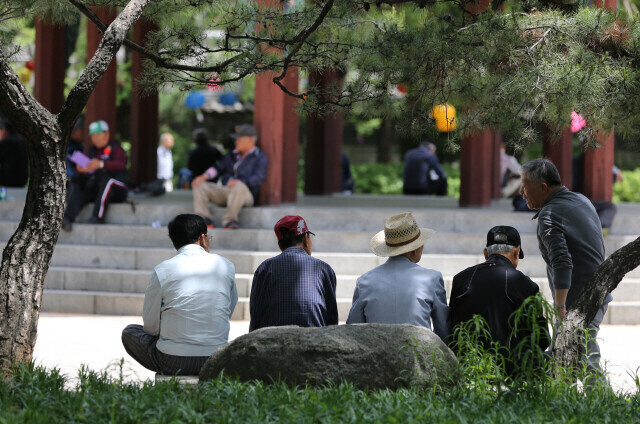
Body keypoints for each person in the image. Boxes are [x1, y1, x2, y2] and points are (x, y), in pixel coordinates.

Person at [520, 158, 611, 382]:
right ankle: (561, 405)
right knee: (562, 356)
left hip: (579, 300)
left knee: (585, 358)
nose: (522, 192)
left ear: (543, 187)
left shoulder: (549, 215)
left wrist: (560, 305)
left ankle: (606, 407)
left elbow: (562, 261)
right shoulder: (581, 199)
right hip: (597, 290)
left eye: (525, 186)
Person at [122, 214, 238, 375]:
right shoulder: (226, 265)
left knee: (130, 332)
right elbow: (228, 309)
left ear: (174, 242)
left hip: (172, 360)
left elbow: (151, 326)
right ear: (203, 238)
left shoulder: (162, 270)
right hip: (215, 359)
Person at [449, 226, 550, 376]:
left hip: (467, 366)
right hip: (511, 370)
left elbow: (452, 325)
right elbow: (542, 339)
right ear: (516, 252)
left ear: (486, 253)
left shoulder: (461, 279)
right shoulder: (526, 285)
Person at [346, 212, 451, 341]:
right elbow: (444, 330)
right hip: (419, 355)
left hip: (376, 357)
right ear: (415, 249)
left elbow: (353, 330)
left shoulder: (365, 281)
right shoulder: (432, 278)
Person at [249, 215, 338, 331]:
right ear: (306, 239)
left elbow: (256, 314)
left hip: (272, 342)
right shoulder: (324, 269)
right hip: (315, 341)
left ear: (280, 245)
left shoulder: (265, 268)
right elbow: (332, 321)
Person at [192, 124, 268, 229]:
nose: (236, 142)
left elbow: (258, 177)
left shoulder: (260, 157)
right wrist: (204, 176)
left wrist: (241, 182)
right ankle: (204, 219)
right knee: (200, 184)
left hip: (245, 194)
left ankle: (230, 220)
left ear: (250, 140)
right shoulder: (231, 155)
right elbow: (218, 167)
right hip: (226, 191)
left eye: (239, 139)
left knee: (239, 186)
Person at [62, 120, 128, 231]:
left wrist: (101, 164)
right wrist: (82, 169)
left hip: (117, 188)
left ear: (106, 134)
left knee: (108, 181)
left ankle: (98, 217)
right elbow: (88, 167)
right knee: (79, 182)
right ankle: (67, 218)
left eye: (98, 134)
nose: (95, 138)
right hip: (98, 187)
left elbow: (121, 164)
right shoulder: (92, 150)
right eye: (93, 135)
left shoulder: (116, 148)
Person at [0, 119, 29, 187]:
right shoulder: (22, 141)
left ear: (5, 130)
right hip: (22, 180)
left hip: (8, 179)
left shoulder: (6, 142)